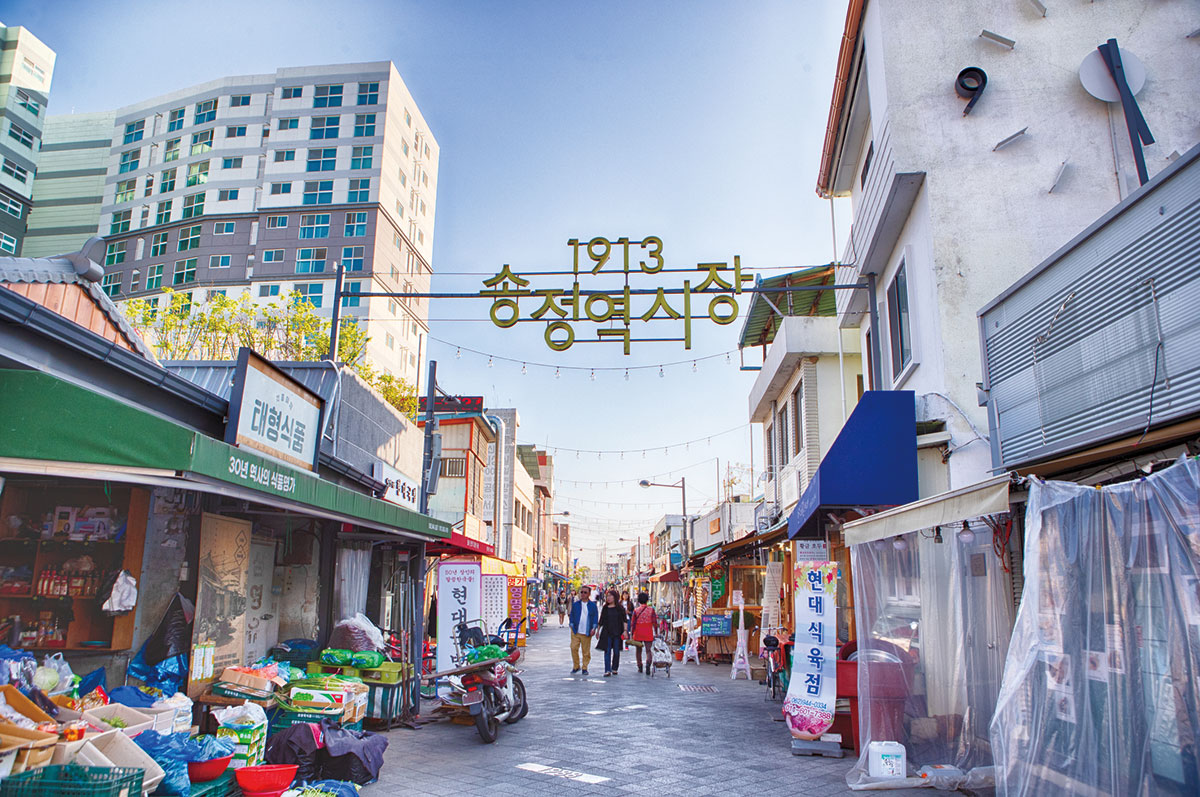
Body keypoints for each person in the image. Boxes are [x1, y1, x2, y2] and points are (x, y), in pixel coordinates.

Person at [568, 586, 598, 675]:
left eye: (585, 592)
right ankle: (576, 666)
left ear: (589, 594)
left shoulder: (592, 606)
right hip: (576, 630)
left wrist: (594, 628)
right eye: (582, 592)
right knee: (573, 648)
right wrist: (571, 624)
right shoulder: (576, 604)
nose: (583, 594)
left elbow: (595, 617)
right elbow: (572, 615)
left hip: (587, 631)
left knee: (586, 651)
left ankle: (585, 667)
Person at [597, 589, 627, 677]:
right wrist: (598, 630)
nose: (608, 598)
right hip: (607, 632)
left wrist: (625, 631)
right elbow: (601, 620)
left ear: (615, 597)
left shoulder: (620, 608)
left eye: (610, 596)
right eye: (607, 596)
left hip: (618, 632)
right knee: (607, 651)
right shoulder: (605, 608)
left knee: (616, 652)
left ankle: (614, 668)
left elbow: (624, 620)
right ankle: (607, 669)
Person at [631, 591, 658, 674]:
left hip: (638, 631)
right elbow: (654, 622)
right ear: (647, 600)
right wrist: (656, 632)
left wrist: (632, 633)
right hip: (648, 631)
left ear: (639, 601)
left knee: (638, 650)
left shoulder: (636, 611)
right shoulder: (651, 610)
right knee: (648, 650)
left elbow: (633, 623)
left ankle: (640, 666)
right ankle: (648, 664)